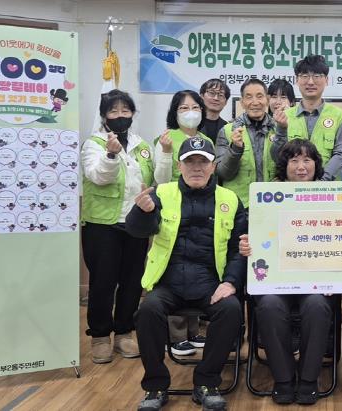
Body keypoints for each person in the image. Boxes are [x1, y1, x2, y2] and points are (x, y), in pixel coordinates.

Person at [127, 137, 247, 411]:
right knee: (147, 311)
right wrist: (143, 212)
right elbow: (136, 230)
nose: (196, 167)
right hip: (168, 283)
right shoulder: (161, 193)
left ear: (213, 166)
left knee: (231, 309)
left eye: (203, 162)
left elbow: (238, 250)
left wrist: (230, 282)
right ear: (179, 166)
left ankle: (207, 382)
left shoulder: (230, 199)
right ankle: (156, 386)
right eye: (190, 161)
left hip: (210, 284)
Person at [239, 139, 334, 405]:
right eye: (294, 160)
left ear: (316, 165)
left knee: (317, 306)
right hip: (275, 280)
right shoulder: (264, 197)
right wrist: (245, 245)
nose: (301, 167)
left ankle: (308, 378)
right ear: (284, 166)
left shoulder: (331, 196)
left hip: (316, 280)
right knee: (269, 305)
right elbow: (249, 235)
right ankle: (283, 378)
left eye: (307, 160)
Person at [80, 89, 154, 364]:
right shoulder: (94, 144)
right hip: (103, 224)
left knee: (133, 282)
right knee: (103, 282)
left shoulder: (141, 145)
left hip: (135, 221)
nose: (120, 115)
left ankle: (124, 332)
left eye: (125, 110)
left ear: (133, 113)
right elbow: (98, 177)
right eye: (113, 111)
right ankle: (100, 336)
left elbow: (152, 178)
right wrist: (110, 156)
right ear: (104, 116)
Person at [153, 89, 211, 355]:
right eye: (184, 108)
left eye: (195, 107)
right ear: (174, 112)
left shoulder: (206, 140)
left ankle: (193, 330)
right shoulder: (166, 138)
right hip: (173, 211)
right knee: (176, 268)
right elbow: (160, 178)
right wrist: (166, 152)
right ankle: (176, 335)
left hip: (201, 210)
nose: (190, 112)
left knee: (197, 266)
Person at [216, 79, 287, 207]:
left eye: (259, 96)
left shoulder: (280, 128)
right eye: (249, 97)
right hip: (238, 206)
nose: (255, 102)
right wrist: (235, 149)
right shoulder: (227, 131)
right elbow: (223, 174)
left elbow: (286, 165)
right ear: (242, 102)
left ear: (267, 99)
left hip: (273, 203)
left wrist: (282, 132)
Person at [282, 54, 342, 181]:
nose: (310, 82)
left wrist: (322, 181)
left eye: (317, 76)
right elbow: (279, 156)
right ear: (296, 80)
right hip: (292, 187)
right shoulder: (285, 117)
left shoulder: (339, 116)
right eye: (305, 76)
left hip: (328, 187)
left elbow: (340, 153)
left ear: (326, 80)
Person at [199, 78, 231, 143]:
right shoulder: (192, 123)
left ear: (226, 102)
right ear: (202, 96)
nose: (216, 98)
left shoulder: (227, 128)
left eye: (221, 95)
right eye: (212, 93)